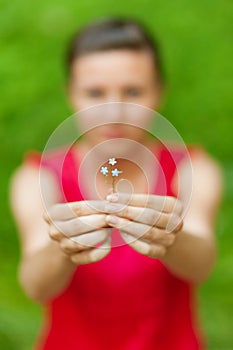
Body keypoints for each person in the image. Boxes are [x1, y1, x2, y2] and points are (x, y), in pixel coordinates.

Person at [10, 17, 222, 350]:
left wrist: (171, 235)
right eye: (95, 92)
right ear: (71, 94)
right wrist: (62, 245)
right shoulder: (37, 177)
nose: (115, 110)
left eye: (133, 91)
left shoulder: (192, 170)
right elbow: (36, 286)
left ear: (159, 93)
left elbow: (201, 264)